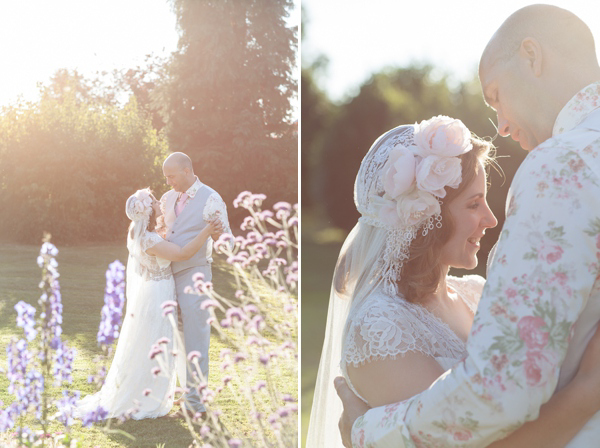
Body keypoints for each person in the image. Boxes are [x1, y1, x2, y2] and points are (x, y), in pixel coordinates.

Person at [335, 4, 600, 447]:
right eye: (474, 203)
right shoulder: (380, 324)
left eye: (495, 95)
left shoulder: (563, 164)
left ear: (532, 57)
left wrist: (368, 433)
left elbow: (505, 390)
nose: (501, 124)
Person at [76, 188, 222, 420]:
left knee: (151, 345)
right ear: (146, 209)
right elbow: (183, 253)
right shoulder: (150, 239)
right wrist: (206, 232)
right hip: (158, 295)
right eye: (153, 200)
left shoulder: (141, 233)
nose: (158, 202)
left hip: (153, 292)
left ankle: (156, 392)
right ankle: (146, 397)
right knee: (156, 346)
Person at [160, 152, 232, 418]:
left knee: (196, 339)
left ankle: (196, 404)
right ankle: (185, 392)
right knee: (177, 338)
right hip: (167, 275)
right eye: (165, 177)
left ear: (187, 170)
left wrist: (222, 239)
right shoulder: (167, 199)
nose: (168, 182)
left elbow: (228, 237)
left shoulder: (211, 198)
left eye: (172, 176)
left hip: (196, 275)